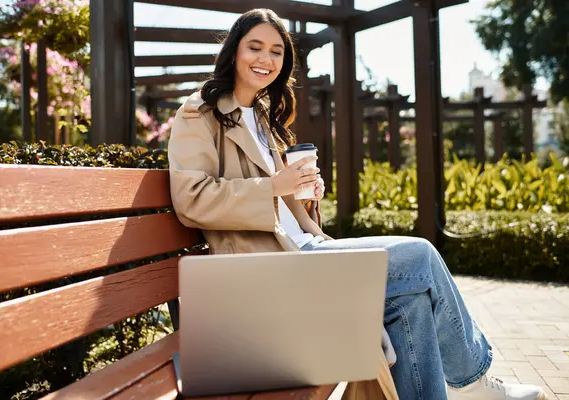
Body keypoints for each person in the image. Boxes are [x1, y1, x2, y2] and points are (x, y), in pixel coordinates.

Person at [167, 8, 547, 400]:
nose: (266, 59)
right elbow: (191, 199)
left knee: (411, 303)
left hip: (303, 251)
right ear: (233, 52)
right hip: (265, 271)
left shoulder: (262, 117)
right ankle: (471, 380)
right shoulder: (200, 112)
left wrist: (303, 197)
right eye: (255, 47)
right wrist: (273, 186)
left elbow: (279, 205)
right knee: (420, 255)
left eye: (277, 52)